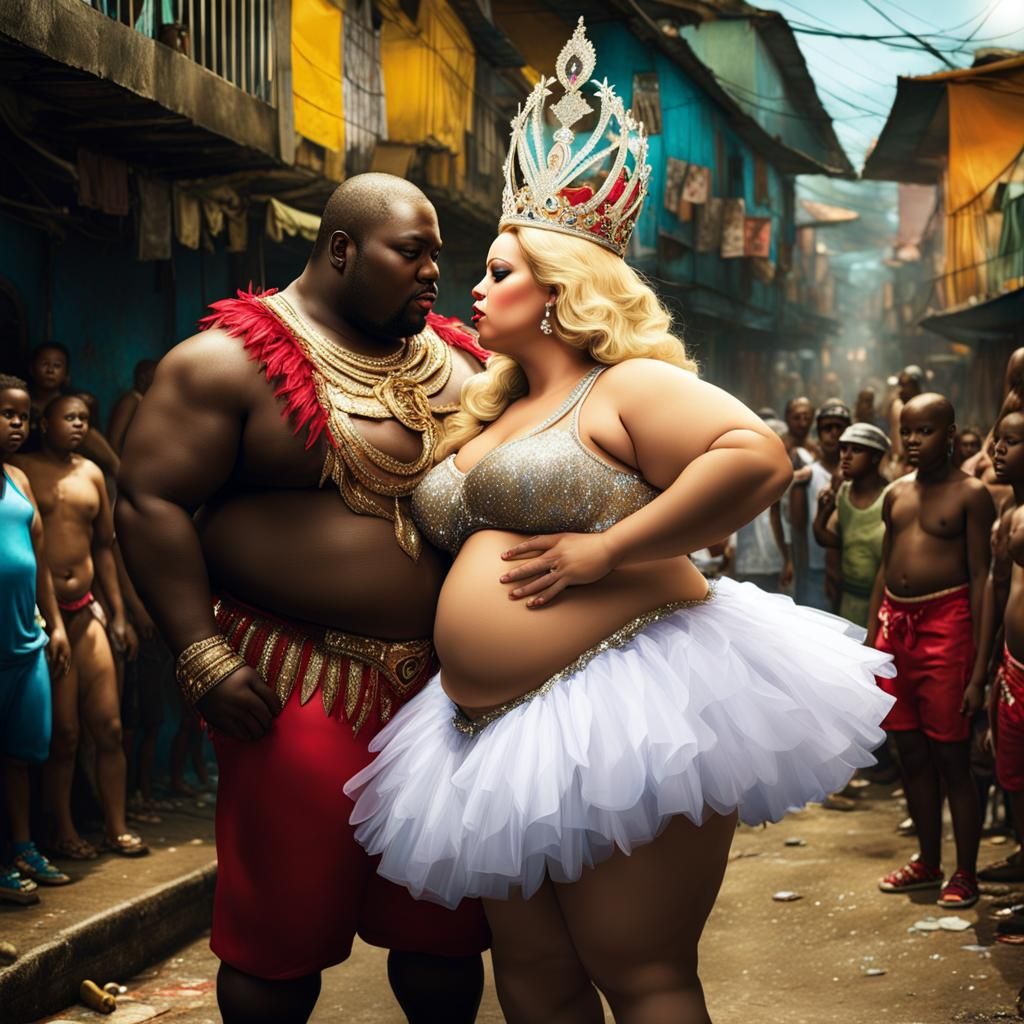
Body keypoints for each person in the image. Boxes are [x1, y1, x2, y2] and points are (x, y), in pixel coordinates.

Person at [344, 22, 896, 1023]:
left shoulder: (625, 384)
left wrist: (608, 547)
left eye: (501, 271)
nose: (476, 285)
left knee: (636, 971)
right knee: (535, 979)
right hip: (484, 728)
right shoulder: (487, 405)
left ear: (562, 291)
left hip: (625, 708)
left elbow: (754, 458)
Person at [116, 173, 491, 1024]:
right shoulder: (225, 363)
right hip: (299, 683)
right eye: (411, 252)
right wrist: (199, 653)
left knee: (444, 929)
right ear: (341, 250)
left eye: (437, 252)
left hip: (445, 691)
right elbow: (149, 500)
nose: (434, 270)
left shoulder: (464, 360)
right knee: (280, 928)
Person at [869, 393, 995, 909]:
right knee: (909, 752)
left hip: (948, 629)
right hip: (894, 628)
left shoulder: (972, 495)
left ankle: (965, 872)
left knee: (951, 755)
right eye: (909, 432)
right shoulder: (896, 494)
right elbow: (885, 567)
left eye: (926, 431)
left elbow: (985, 577)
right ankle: (927, 861)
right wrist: (870, 644)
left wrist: (979, 671)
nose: (915, 441)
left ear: (950, 433)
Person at [12, 395, 145, 860]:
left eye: (84, 420)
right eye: (68, 418)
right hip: (46, 613)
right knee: (63, 735)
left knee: (108, 726)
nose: (77, 426)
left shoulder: (91, 473)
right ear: (43, 423)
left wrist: (120, 613)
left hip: (88, 608)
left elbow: (105, 547)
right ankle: (62, 830)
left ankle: (116, 826)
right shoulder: (21, 470)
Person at [0, 375, 72, 903]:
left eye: (22, 415)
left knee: (23, 753)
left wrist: (57, 623)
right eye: (5, 414)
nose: (16, 424)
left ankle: (23, 846)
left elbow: (38, 559)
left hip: (26, 639)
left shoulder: (18, 479)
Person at [977, 411, 1024, 891]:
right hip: (1013, 669)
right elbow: (998, 589)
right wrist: (985, 670)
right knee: (1014, 782)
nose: (998, 450)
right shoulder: (1010, 512)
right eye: (999, 440)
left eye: (1012, 442)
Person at [813, 422, 891, 628]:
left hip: (882, 601)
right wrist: (823, 512)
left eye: (856, 450)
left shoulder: (890, 497)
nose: (845, 456)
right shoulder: (844, 493)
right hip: (849, 597)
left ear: (876, 457)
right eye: (843, 449)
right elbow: (833, 541)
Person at [789, 401, 850, 611]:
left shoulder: (858, 475)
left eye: (839, 428)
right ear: (819, 432)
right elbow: (797, 526)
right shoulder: (809, 474)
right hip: (817, 571)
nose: (833, 434)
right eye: (827, 428)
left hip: (853, 572)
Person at [24, 344, 120, 476]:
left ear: (66, 373)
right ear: (32, 369)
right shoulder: (21, 402)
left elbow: (91, 438)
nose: (50, 370)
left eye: (57, 366)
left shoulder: (78, 403)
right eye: (45, 364)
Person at [108, 359, 157, 455]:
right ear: (143, 377)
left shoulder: (146, 400)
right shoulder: (131, 400)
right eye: (156, 375)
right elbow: (114, 441)